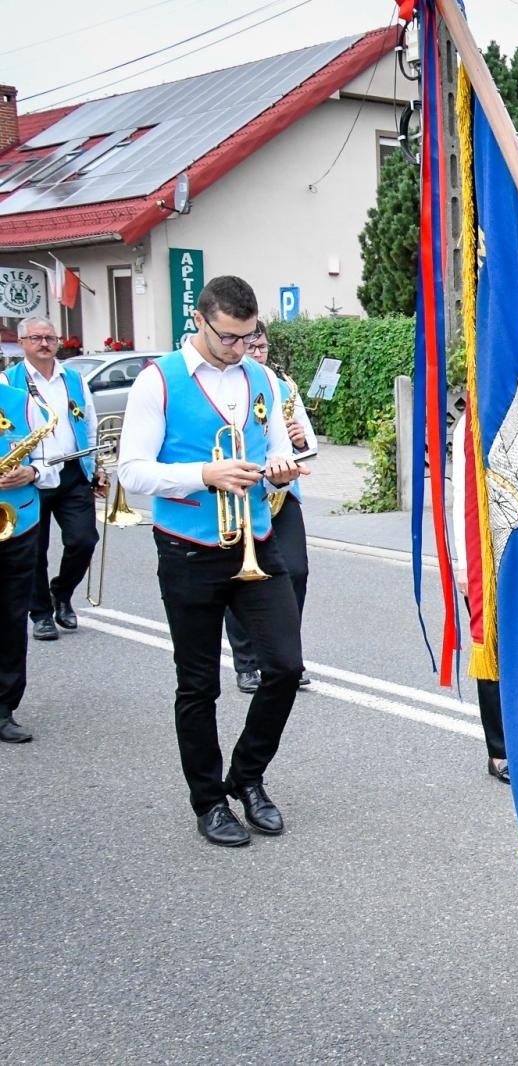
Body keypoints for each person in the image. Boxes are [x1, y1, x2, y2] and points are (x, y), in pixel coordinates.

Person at [117, 276, 310, 847]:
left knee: (283, 667)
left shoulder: (263, 378)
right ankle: (208, 802)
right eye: (229, 337)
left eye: (249, 338)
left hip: (255, 537)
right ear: (201, 321)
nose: (240, 349)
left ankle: (246, 777)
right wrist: (204, 473)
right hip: (187, 550)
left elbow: (279, 445)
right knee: (198, 685)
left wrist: (281, 465)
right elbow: (132, 471)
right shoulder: (158, 382)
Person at [223, 333, 313, 694]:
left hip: (282, 492)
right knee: (242, 577)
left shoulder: (282, 387)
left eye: (261, 347)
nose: (256, 353)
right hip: (240, 492)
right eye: (250, 346)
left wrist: (300, 440)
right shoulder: (228, 384)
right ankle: (246, 664)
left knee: (296, 571)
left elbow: (310, 445)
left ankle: (285, 654)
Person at [4, 317, 101, 642]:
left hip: (72, 470)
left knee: (84, 540)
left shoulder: (73, 379)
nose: (44, 343)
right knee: (33, 550)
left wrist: (96, 465)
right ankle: (42, 614)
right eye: (36, 338)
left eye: (49, 337)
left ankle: (61, 593)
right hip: (26, 476)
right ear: (22, 342)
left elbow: (89, 423)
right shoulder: (7, 381)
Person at [448, 411, 508, 782]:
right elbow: (463, 497)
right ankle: (499, 751)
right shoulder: (473, 418)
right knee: (493, 646)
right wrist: (463, 562)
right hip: (485, 549)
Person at [1, 377, 45, 744]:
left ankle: (4, 708)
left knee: (11, 617)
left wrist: (33, 471)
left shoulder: (23, 403)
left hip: (17, 523)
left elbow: (52, 460)